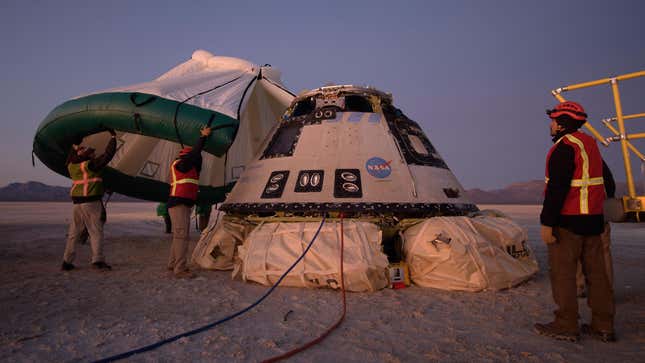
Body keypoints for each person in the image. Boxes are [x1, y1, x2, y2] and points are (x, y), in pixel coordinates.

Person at [534, 101, 615, 342]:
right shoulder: (590, 145)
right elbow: (607, 182)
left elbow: (557, 190)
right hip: (594, 221)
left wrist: (547, 223)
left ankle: (566, 324)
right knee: (597, 275)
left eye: (553, 121)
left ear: (562, 124)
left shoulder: (564, 149)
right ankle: (604, 325)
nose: (551, 125)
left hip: (568, 223)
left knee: (564, 275)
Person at [61, 129, 117, 271]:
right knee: (95, 232)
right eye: (91, 153)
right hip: (91, 203)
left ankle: (67, 262)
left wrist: (75, 145)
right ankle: (97, 261)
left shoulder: (71, 166)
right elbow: (107, 155)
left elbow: (71, 156)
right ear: (87, 156)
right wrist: (113, 137)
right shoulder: (90, 165)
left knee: (74, 233)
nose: (93, 154)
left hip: (77, 205)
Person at [166, 126, 212, 278]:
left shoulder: (189, 167)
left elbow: (197, 158)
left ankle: (173, 263)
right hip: (178, 204)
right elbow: (194, 155)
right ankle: (180, 269)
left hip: (182, 204)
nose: (196, 161)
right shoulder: (181, 164)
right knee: (181, 236)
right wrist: (203, 138)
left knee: (178, 236)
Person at [576, 167, 615, 298]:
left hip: (576, 214)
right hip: (598, 212)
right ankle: (606, 290)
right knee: (603, 251)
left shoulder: (567, 156)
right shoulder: (597, 158)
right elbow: (610, 183)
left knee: (578, 250)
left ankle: (580, 286)